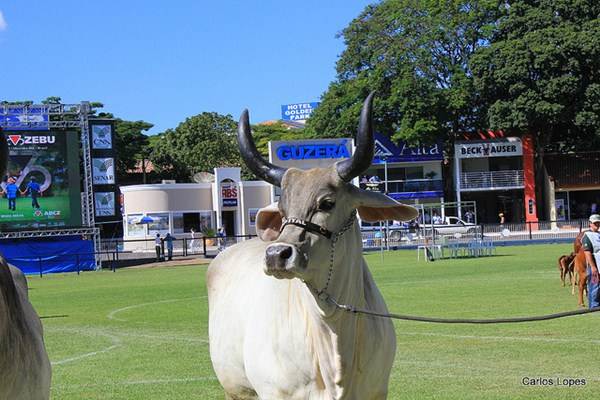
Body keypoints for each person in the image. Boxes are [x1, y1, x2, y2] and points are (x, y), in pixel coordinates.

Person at [581, 214, 600, 309]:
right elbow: (587, 253)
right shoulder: (587, 236)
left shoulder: (598, 235)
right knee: (595, 287)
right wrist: (593, 267)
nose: (597, 225)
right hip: (594, 267)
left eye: (598, 223)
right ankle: (593, 307)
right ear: (590, 224)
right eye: (595, 223)